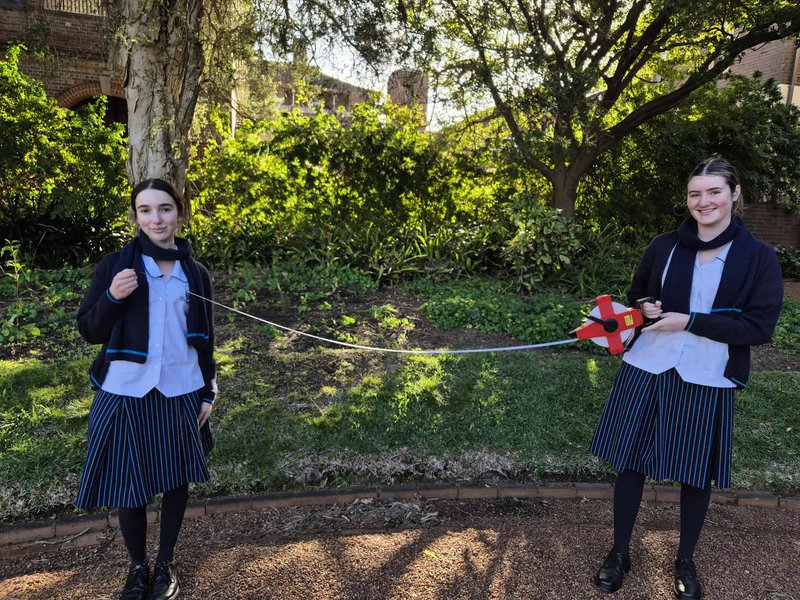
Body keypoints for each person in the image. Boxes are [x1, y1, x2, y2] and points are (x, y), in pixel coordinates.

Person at [589, 158, 783, 599]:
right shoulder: (664, 245)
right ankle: (619, 552)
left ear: (735, 194)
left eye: (714, 192)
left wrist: (691, 321)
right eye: (696, 194)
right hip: (647, 366)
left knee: (696, 474)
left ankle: (685, 559)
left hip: (708, 374)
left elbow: (759, 328)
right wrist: (647, 307)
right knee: (631, 464)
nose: (704, 202)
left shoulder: (758, 258)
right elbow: (639, 292)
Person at [75, 178, 217, 600]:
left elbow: (206, 336)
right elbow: (89, 328)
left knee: (175, 480)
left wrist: (208, 388)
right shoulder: (116, 266)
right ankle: (138, 568)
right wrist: (114, 297)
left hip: (181, 389)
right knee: (128, 482)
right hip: (124, 390)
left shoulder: (196, 273)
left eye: (165, 209)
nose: (156, 218)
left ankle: (165, 565)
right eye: (145, 210)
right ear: (136, 215)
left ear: (180, 212)